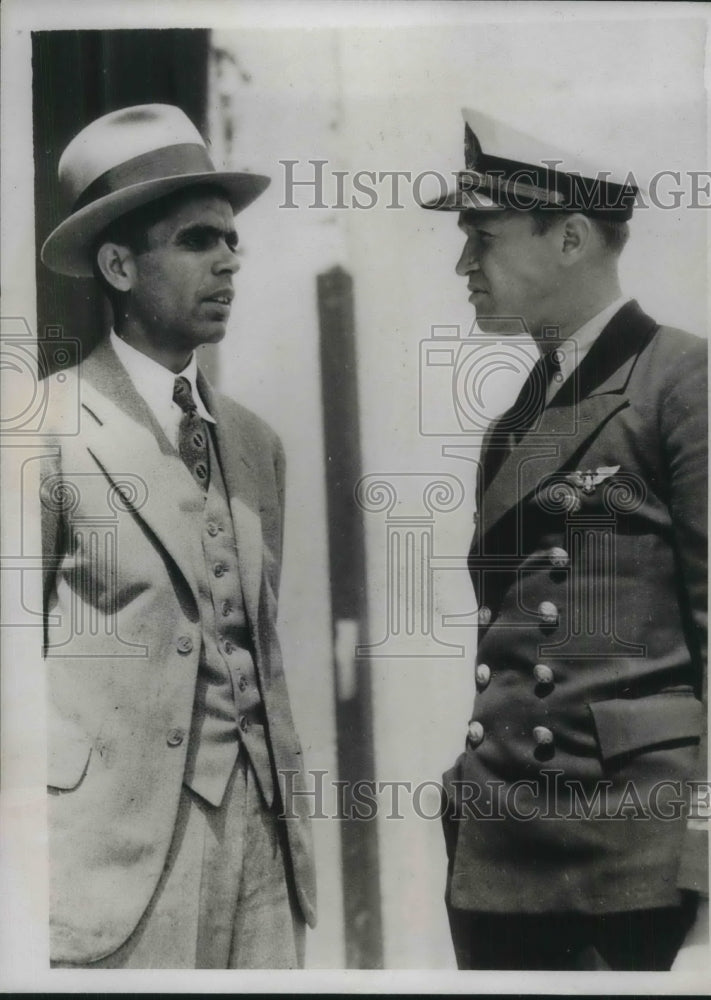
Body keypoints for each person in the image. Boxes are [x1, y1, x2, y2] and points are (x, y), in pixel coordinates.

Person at [423, 108, 708, 971]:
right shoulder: (515, 423)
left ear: (572, 237)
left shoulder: (683, 379)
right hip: (504, 867)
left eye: (483, 235)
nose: (463, 264)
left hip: (630, 867)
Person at [39, 104, 316, 969]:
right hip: (112, 864)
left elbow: (254, 645)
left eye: (233, 241)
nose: (230, 261)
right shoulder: (41, 430)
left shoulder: (254, 442)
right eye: (198, 241)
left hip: (265, 853)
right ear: (119, 265)